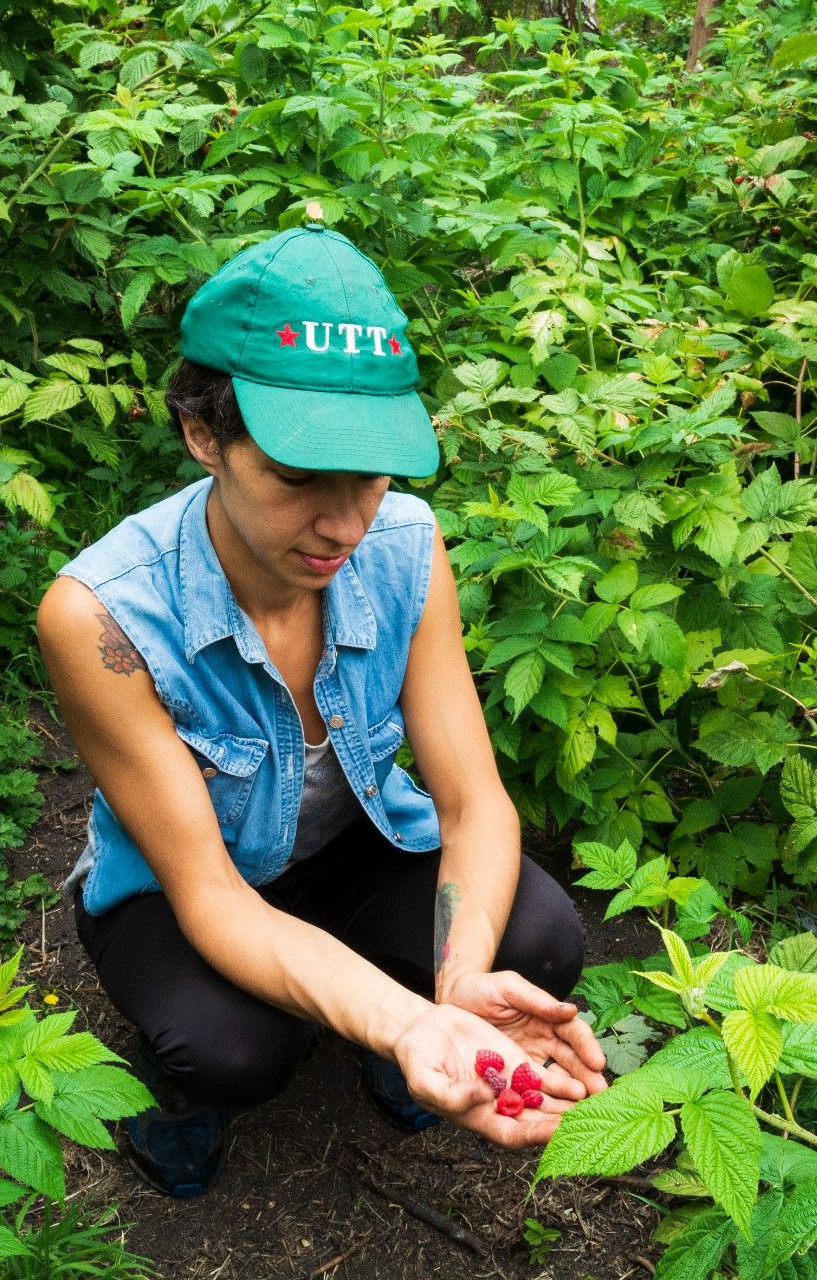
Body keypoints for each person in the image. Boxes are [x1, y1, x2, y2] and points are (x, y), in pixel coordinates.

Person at [35, 213, 608, 1197]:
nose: (343, 523)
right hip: (182, 885)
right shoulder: (104, 616)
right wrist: (403, 1014)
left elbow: (473, 803)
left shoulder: (405, 547)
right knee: (232, 1049)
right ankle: (191, 1098)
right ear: (202, 433)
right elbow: (212, 893)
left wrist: (457, 981)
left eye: (373, 476)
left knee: (538, 935)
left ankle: (407, 1020)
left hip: (349, 842)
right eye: (300, 476)